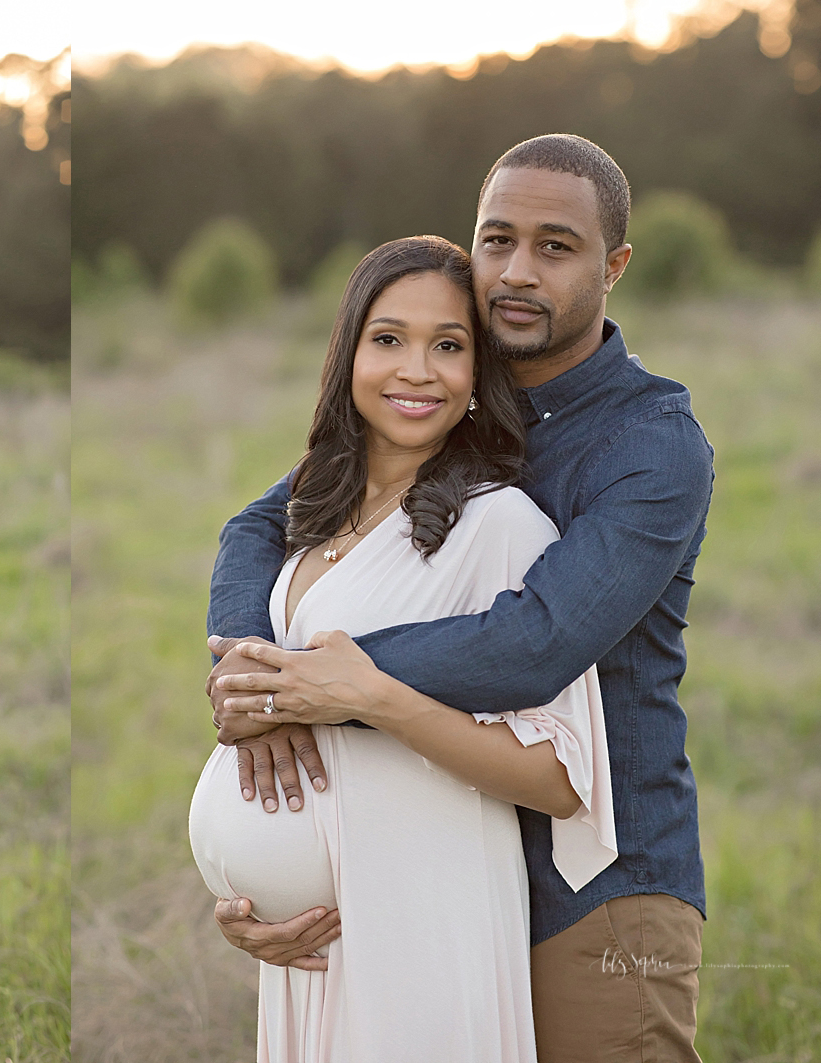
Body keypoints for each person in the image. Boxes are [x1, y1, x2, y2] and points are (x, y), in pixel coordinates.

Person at [207, 136, 713, 1063]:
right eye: (496, 240)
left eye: (556, 246)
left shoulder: (652, 446)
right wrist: (250, 661)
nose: (517, 272)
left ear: (615, 266)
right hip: (424, 872)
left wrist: (314, 683)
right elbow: (260, 526)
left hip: (592, 880)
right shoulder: (450, 404)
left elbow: (532, 645)